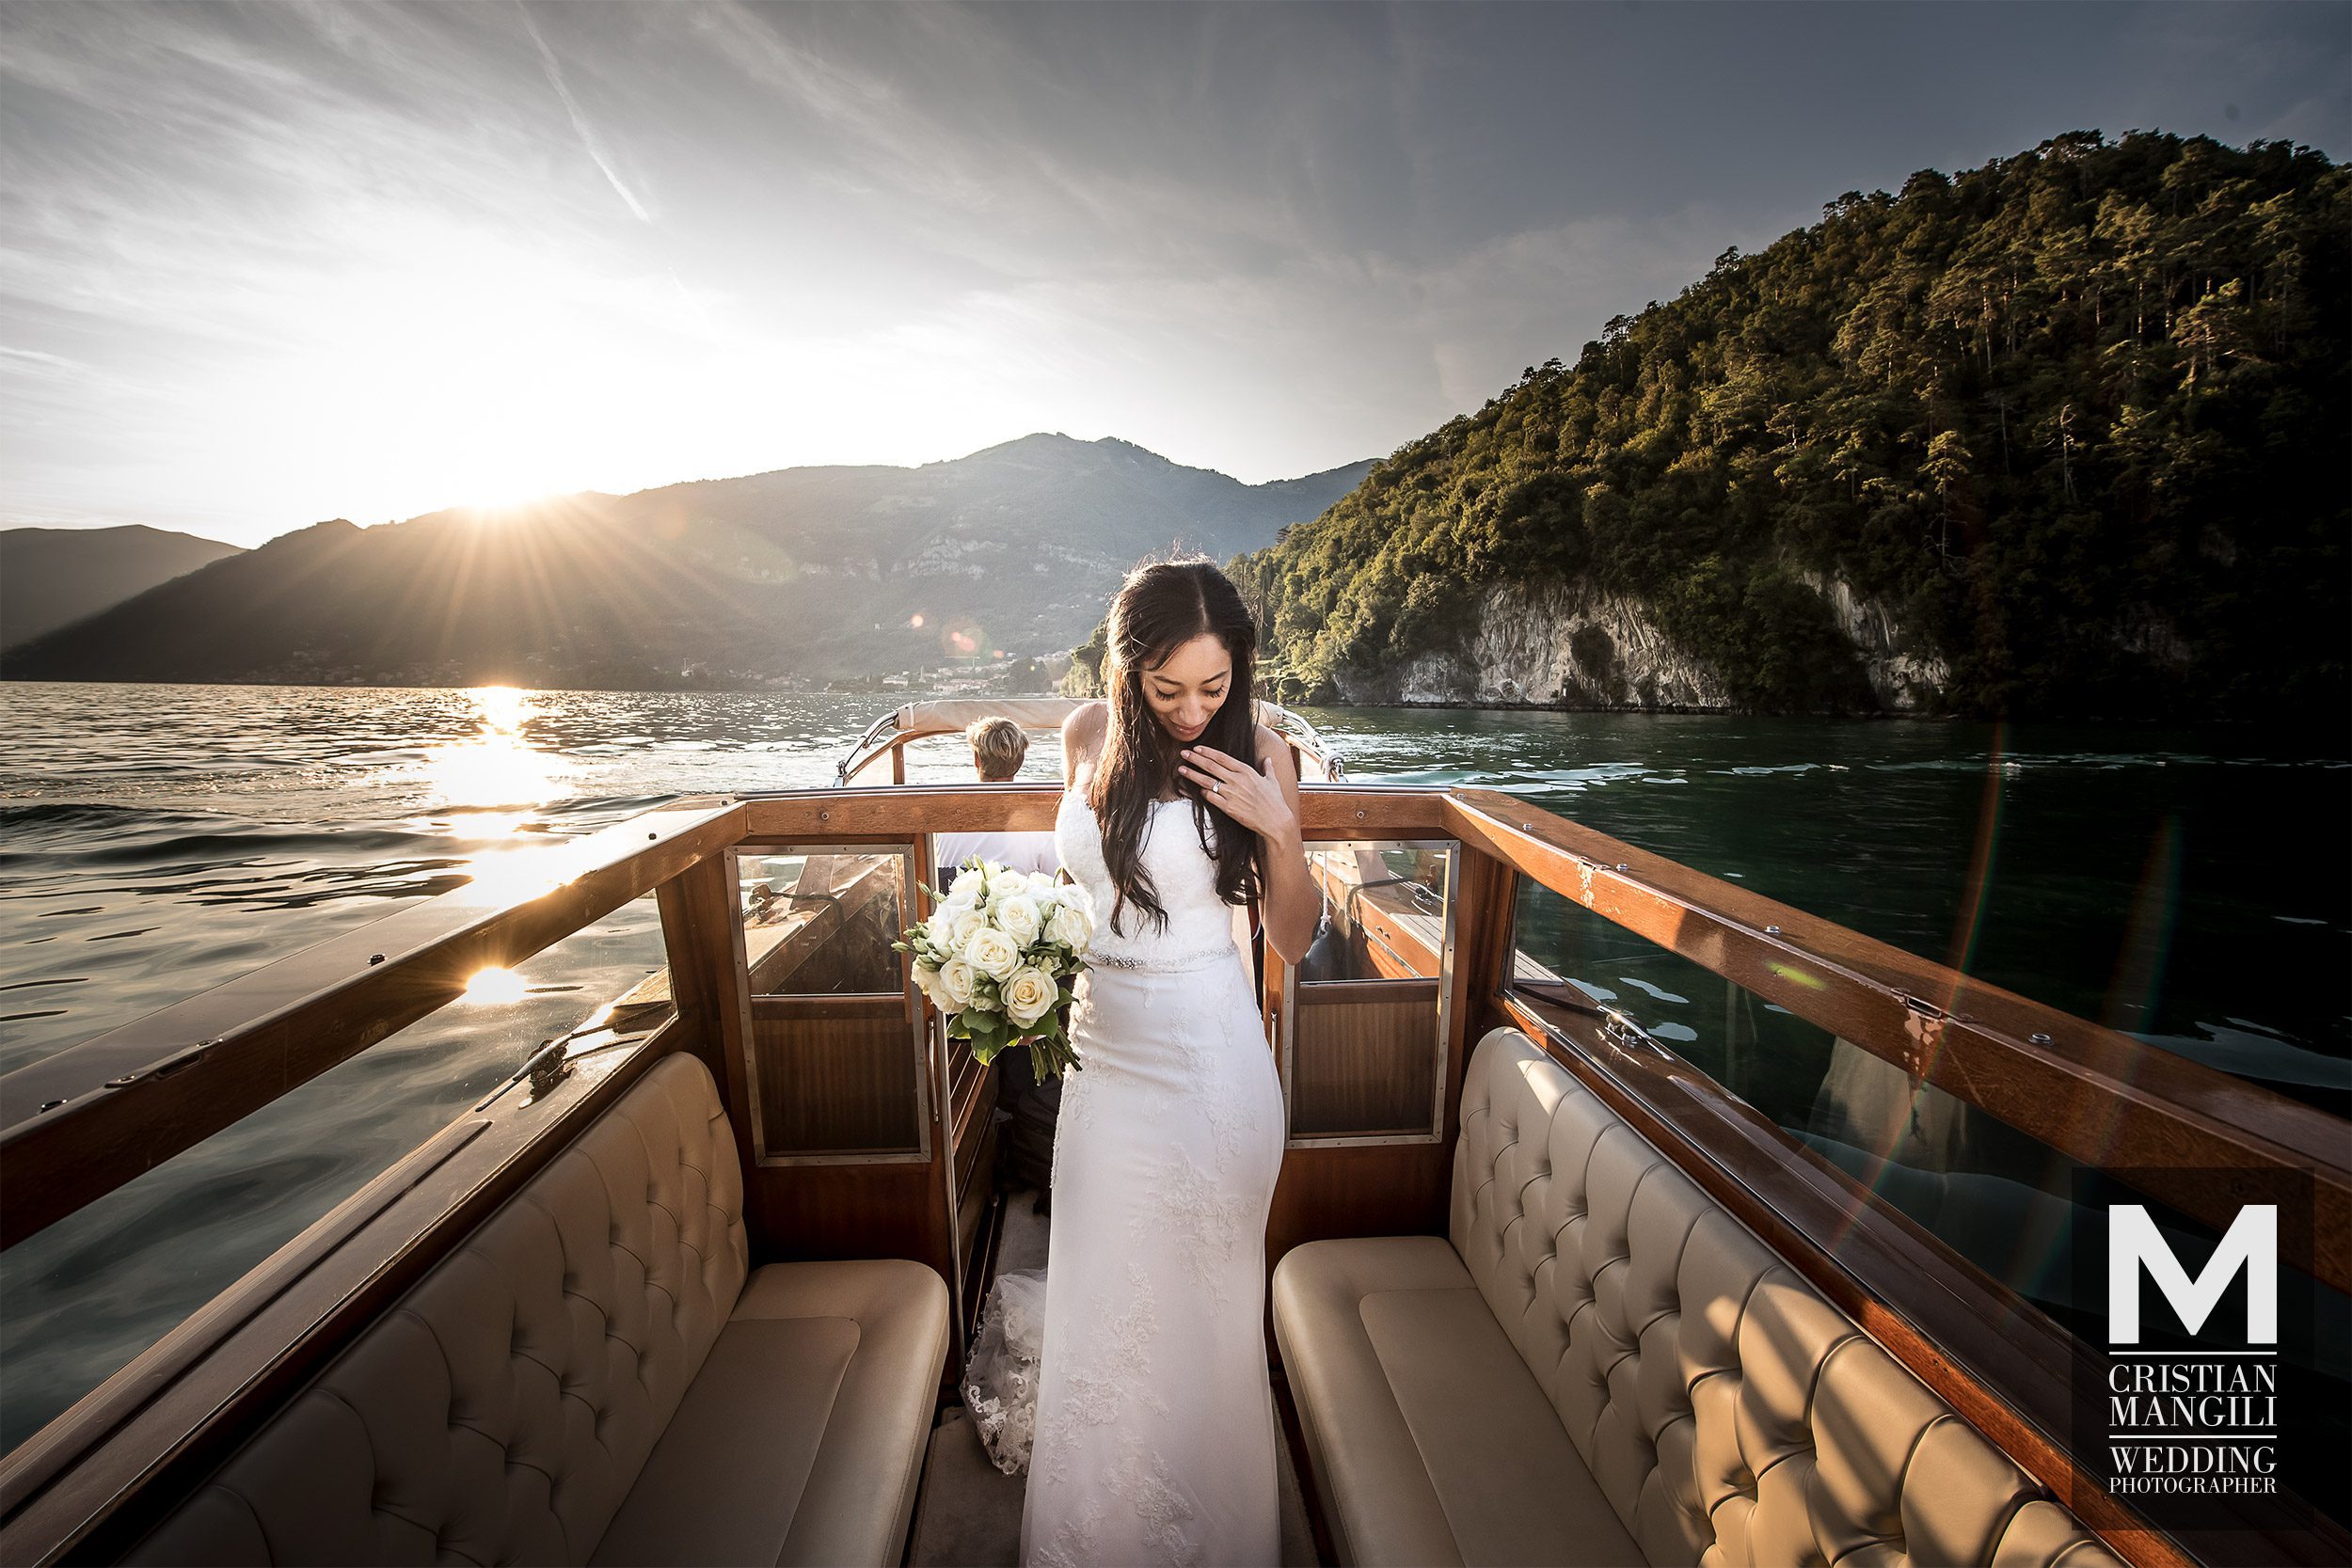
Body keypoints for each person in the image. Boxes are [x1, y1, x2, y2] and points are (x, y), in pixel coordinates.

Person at [1018, 557, 1318, 1568]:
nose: (1194, 709)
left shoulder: (1262, 749)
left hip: (1209, 1067)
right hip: (1102, 1064)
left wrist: (1280, 831)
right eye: (1168, 688)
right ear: (1126, 672)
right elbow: (1085, 888)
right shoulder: (1084, 738)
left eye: (1216, 685)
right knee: (1102, 1298)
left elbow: (1293, 938)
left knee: (1204, 1318)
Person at [935, 715, 1060, 885]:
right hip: (1021, 906)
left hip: (950, 908)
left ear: (976, 759)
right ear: (1020, 762)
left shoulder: (942, 810)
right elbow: (1054, 880)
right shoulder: (1041, 818)